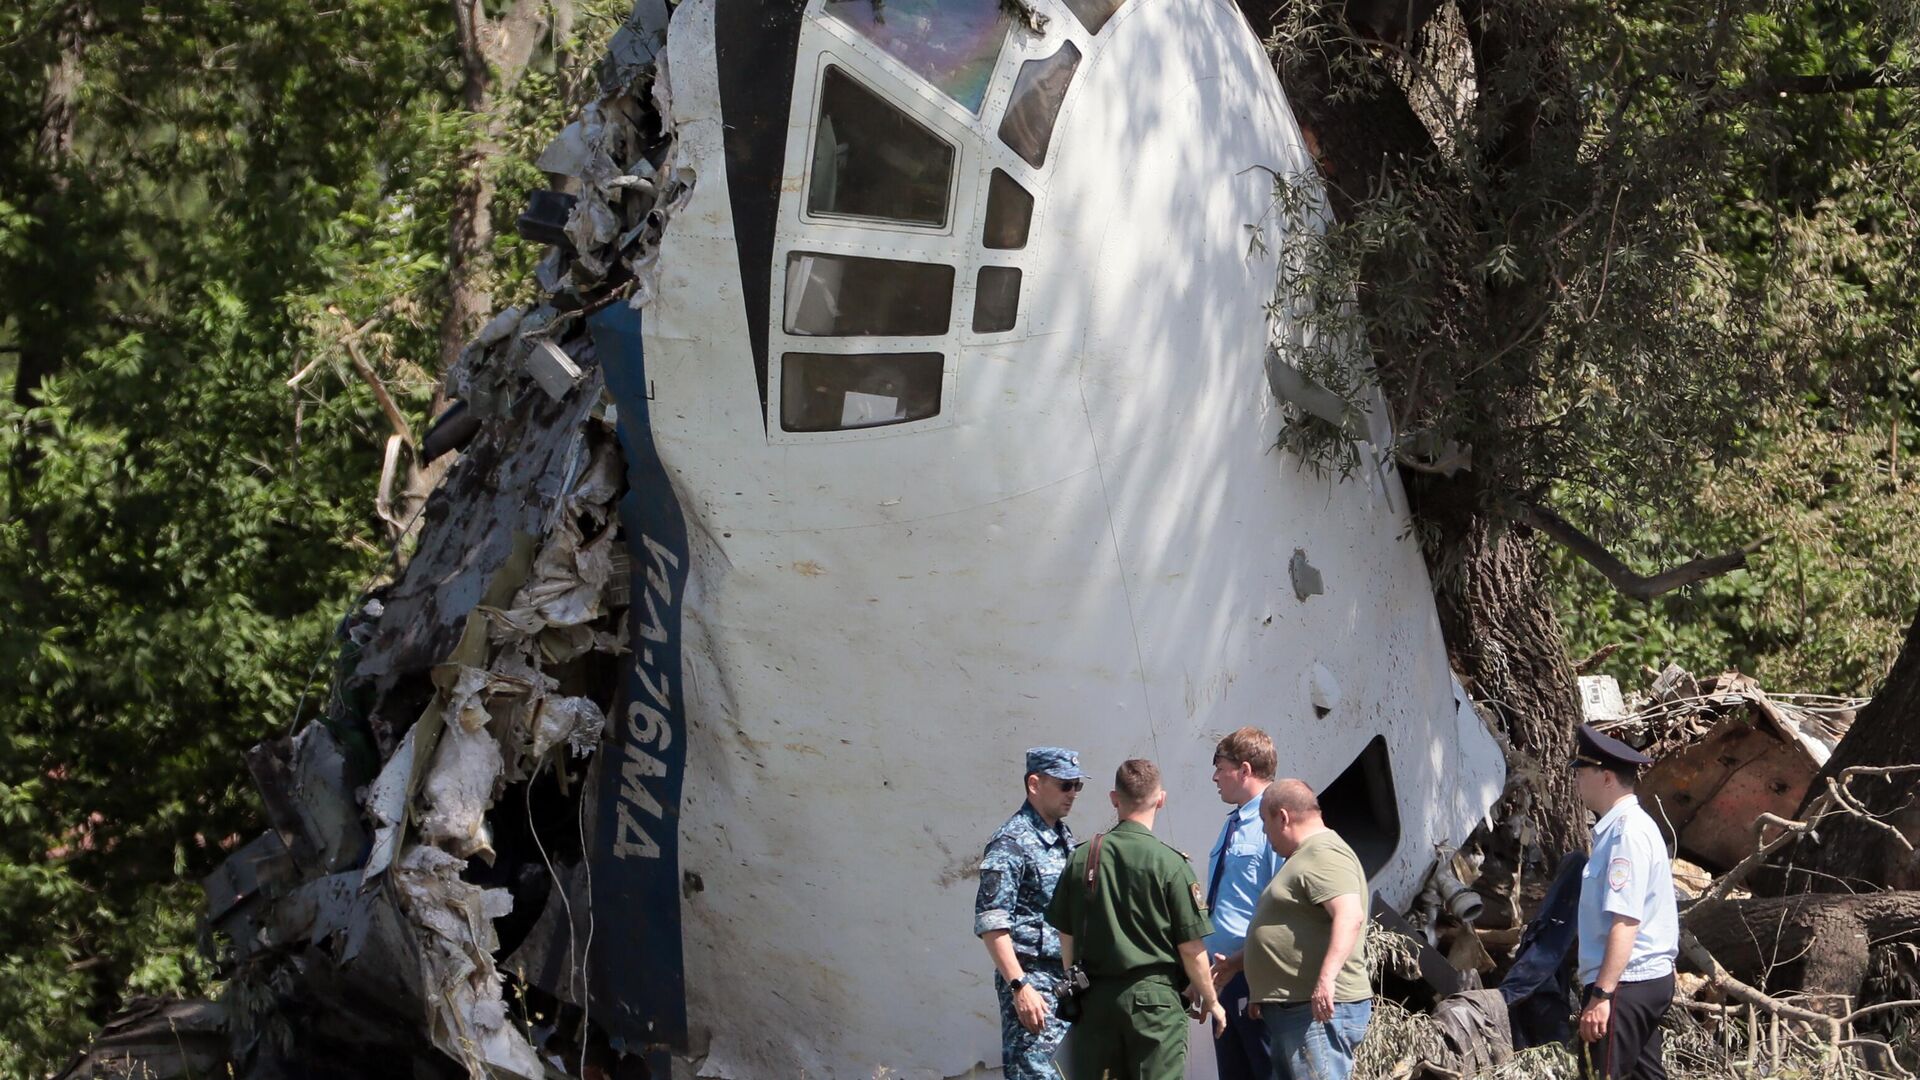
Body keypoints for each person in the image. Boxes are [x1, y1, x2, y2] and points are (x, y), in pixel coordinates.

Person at [1045, 759, 1227, 1080]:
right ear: (1161, 799)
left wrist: (1075, 982)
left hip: (1094, 1002)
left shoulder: (1081, 858)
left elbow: (1066, 936)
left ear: (1115, 799)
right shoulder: (1171, 864)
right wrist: (1211, 1000)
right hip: (1155, 1006)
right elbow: (1190, 947)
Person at [1242, 779, 1372, 1080]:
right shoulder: (1304, 857)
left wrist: (1325, 981)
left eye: (1265, 822)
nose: (1264, 832)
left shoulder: (1324, 853)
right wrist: (1241, 964)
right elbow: (1294, 923)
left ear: (1283, 817)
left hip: (1314, 1014)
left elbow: (1349, 916)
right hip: (1296, 1011)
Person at [1570, 723, 1679, 1080]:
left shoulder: (1625, 834)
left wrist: (1601, 995)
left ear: (1605, 777)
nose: (1577, 781)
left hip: (1626, 983)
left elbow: (1626, 921)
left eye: (1581, 772)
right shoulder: (1628, 827)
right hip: (1643, 980)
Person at [975, 747, 1090, 1079]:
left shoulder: (1062, 837)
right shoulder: (1010, 843)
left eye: (1077, 786)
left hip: (1065, 983)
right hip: (1033, 981)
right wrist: (1019, 986)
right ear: (1035, 784)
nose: (1072, 794)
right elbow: (992, 923)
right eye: (1064, 785)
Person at [1200, 727, 1285, 1080]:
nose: (1215, 776)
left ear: (1245, 770)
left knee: (1265, 1070)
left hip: (1255, 975)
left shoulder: (1274, 823)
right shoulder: (1233, 824)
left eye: (1220, 766)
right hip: (1223, 976)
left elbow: (1283, 904)